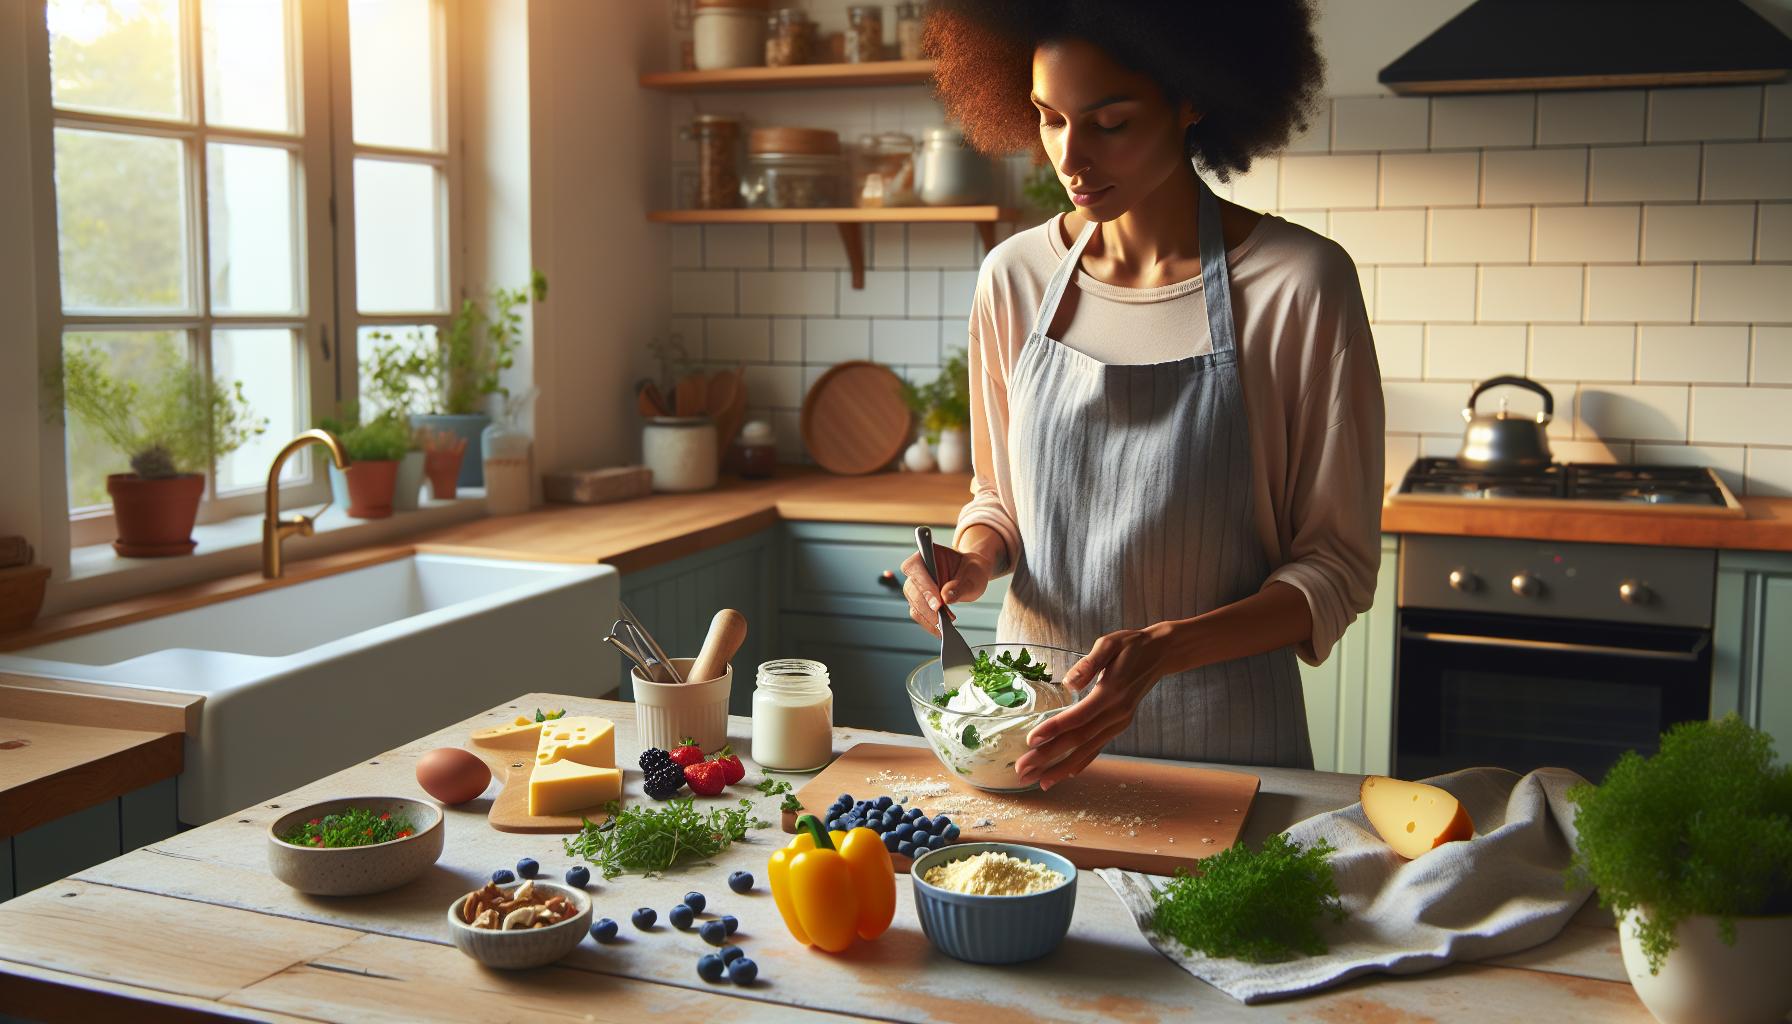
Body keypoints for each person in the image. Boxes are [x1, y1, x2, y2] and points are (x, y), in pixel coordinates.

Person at [897, 0, 1384, 789]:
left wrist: (1165, 650)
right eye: (1049, 118)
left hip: (1225, 746)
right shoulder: (1015, 278)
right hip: (1028, 734)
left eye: (1110, 122)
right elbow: (999, 498)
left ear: (1192, 98)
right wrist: (974, 556)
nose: (1070, 158)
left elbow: (1335, 568)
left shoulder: (1299, 284)